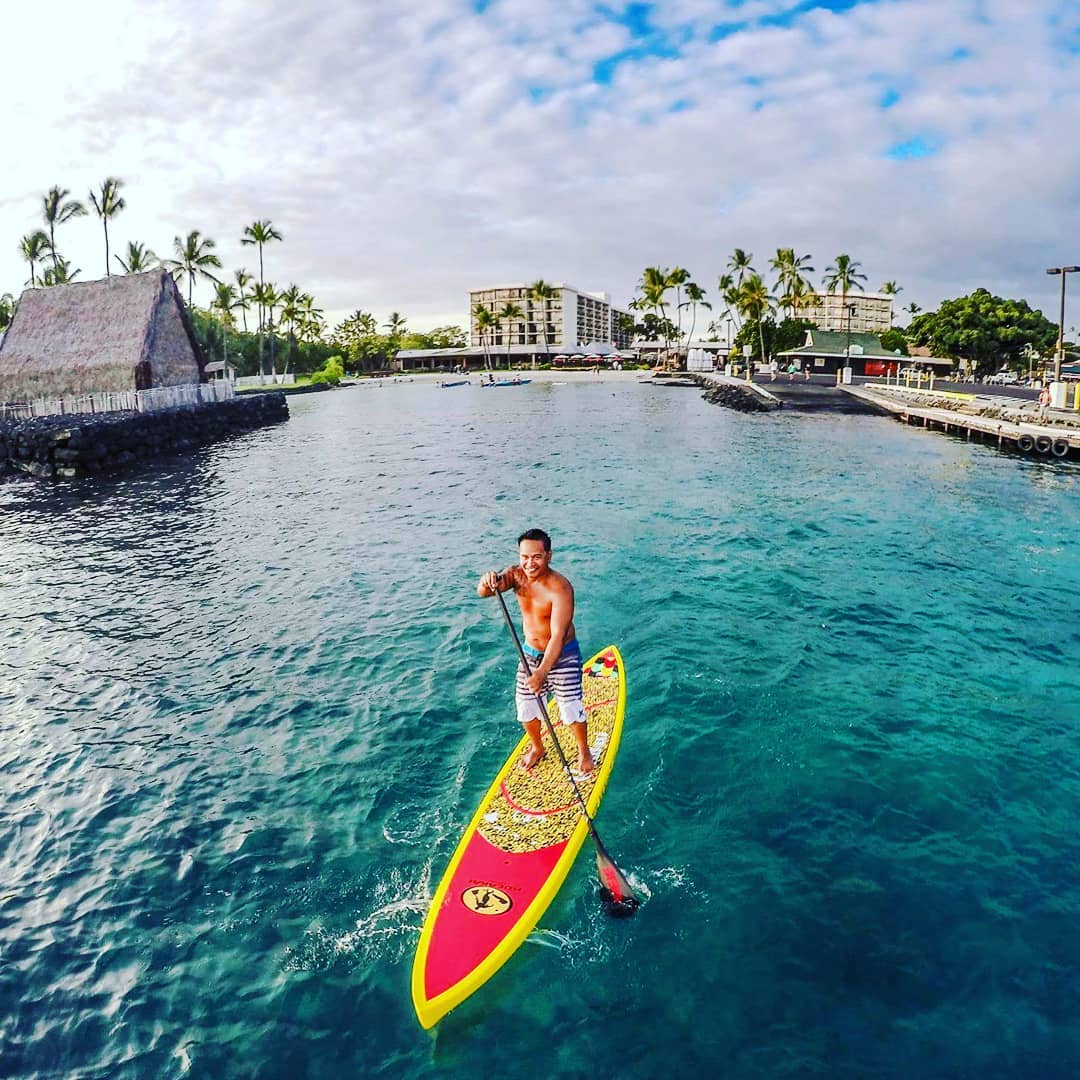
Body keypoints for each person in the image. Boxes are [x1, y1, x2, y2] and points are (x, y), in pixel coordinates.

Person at [478, 529, 595, 777]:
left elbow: (558, 636)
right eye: (525, 557)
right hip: (529, 654)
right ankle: (538, 747)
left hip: (562, 654)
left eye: (537, 557)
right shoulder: (515, 576)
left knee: (570, 708)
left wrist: (542, 673)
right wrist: (487, 580)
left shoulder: (561, 588)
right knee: (526, 708)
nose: (530, 563)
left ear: (549, 555)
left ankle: (584, 751)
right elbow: (486, 591)